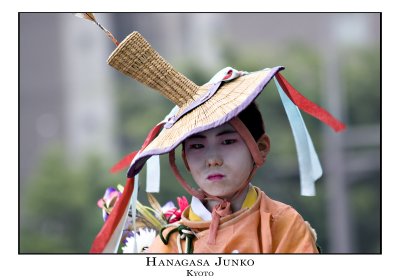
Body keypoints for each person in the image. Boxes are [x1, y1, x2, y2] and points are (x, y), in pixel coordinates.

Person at [89, 31, 345, 254]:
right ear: (186, 160)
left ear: (261, 147)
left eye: (228, 141)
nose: (212, 159)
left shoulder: (283, 225)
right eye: (197, 146)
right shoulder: (168, 244)